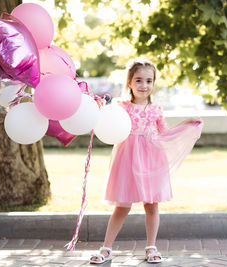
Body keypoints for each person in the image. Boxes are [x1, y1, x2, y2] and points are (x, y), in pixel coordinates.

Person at [90, 58, 203, 264]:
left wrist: (186, 124)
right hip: (127, 159)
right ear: (129, 83)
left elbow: (166, 133)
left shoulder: (156, 110)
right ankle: (106, 248)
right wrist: (98, 108)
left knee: (151, 205)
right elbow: (109, 123)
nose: (144, 85)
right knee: (122, 205)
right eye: (139, 80)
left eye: (149, 81)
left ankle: (151, 246)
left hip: (151, 160)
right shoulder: (121, 106)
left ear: (153, 83)